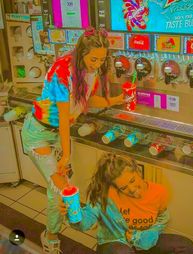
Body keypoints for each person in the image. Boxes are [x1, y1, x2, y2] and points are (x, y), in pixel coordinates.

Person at [21, 27, 124, 254]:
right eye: (93, 59)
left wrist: (116, 99)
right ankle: (50, 235)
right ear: (81, 53)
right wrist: (66, 155)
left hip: (57, 135)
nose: (97, 64)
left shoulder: (90, 72)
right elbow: (65, 118)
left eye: (102, 59)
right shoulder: (61, 71)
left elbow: (87, 100)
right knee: (60, 188)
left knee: (58, 188)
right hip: (38, 133)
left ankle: (60, 223)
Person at [60, 153, 193, 254]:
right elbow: (86, 222)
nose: (131, 189)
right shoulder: (106, 196)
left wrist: (147, 235)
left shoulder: (158, 191)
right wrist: (73, 213)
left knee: (186, 246)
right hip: (115, 243)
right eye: (123, 188)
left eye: (132, 180)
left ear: (137, 170)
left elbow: (163, 218)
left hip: (143, 240)